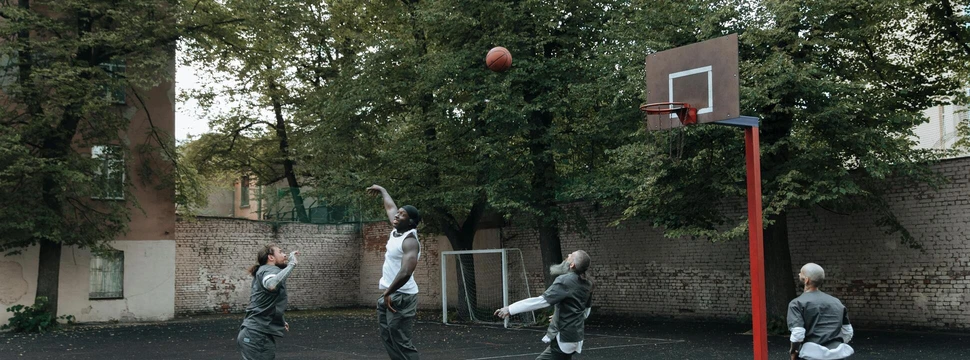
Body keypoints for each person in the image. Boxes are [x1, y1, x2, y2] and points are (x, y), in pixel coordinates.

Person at [495, 250, 593, 360]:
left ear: (572, 265)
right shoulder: (588, 283)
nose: (568, 256)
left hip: (564, 336)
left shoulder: (565, 281)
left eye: (571, 256)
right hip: (575, 337)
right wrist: (560, 317)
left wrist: (510, 309)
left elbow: (541, 301)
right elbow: (585, 311)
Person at [367, 184, 422, 360]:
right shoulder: (396, 230)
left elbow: (406, 271)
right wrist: (383, 190)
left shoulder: (410, 241)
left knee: (400, 340)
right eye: (398, 213)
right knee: (388, 338)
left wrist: (388, 292)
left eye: (402, 214)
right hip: (389, 293)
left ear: (411, 222)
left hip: (402, 296)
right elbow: (390, 207)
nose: (397, 215)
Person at [237, 244, 299, 360]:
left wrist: (279, 319)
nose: (285, 255)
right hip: (256, 335)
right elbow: (271, 285)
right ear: (271, 257)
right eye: (280, 252)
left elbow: (264, 301)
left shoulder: (265, 270)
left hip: (256, 334)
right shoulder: (269, 270)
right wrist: (291, 264)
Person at [788, 263, 854, 360]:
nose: (798, 275)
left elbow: (798, 334)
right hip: (838, 356)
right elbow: (848, 332)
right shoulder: (836, 302)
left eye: (801, 273)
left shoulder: (796, 303)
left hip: (811, 356)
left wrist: (793, 352)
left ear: (806, 280)